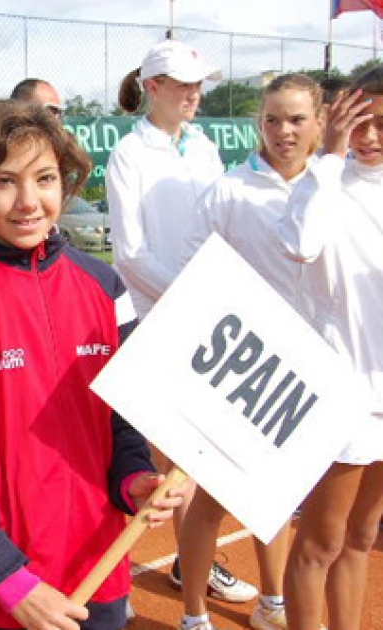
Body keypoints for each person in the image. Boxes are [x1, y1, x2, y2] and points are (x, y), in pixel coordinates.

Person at [0, 98, 184, 630]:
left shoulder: (105, 289)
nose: (29, 201)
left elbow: (120, 423)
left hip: (98, 577)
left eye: (44, 178)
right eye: (5, 181)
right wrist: (9, 580)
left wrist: (134, 477)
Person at [106, 37, 259, 612]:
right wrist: (192, 299)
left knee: (206, 460)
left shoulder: (206, 148)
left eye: (198, 84)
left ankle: (191, 565)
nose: (195, 94)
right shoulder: (128, 154)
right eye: (182, 84)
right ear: (153, 88)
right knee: (179, 464)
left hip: (211, 318)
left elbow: (222, 228)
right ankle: (185, 576)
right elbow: (131, 254)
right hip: (163, 320)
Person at [180, 73, 327, 630]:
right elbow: (193, 270)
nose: (282, 130)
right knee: (212, 501)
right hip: (241, 367)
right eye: (271, 119)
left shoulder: (334, 186)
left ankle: (273, 604)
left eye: (295, 119)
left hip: (308, 377)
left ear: (319, 122)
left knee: (279, 497)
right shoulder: (227, 191)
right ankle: (194, 616)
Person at [277, 68, 383, 630]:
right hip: (341, 391)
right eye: (358, 121)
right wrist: (333, 156)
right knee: (321, 540)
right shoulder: (324, 182)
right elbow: (299, 245)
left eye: (381, 124)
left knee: (362, 537)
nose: (369, 136)